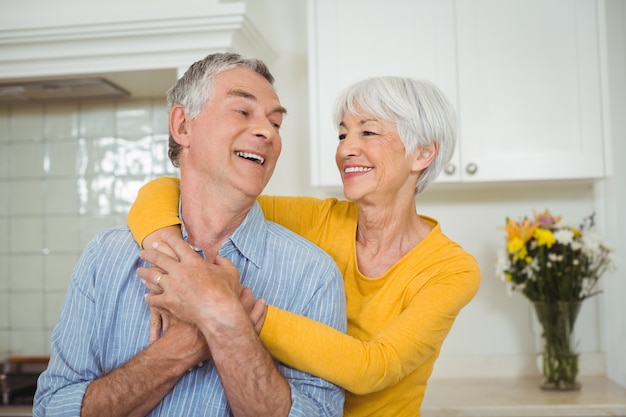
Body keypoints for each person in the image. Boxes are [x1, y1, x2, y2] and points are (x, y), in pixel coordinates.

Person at [129, 76, 481, 417]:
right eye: (343, 134)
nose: (345, 149)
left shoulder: (452, 269)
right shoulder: (321, 219)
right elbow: (168, 189)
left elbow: (374, 367)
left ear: (423, 153)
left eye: (368, 132)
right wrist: (175, 260)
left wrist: (225, 306)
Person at [33, 52, 347, 417]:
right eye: (243, 112)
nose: (268, 132)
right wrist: (185, 343)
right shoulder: (105, 257)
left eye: (276, 123)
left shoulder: (314, 275)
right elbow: (53, 409)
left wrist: (225, 322)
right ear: (183, 126)